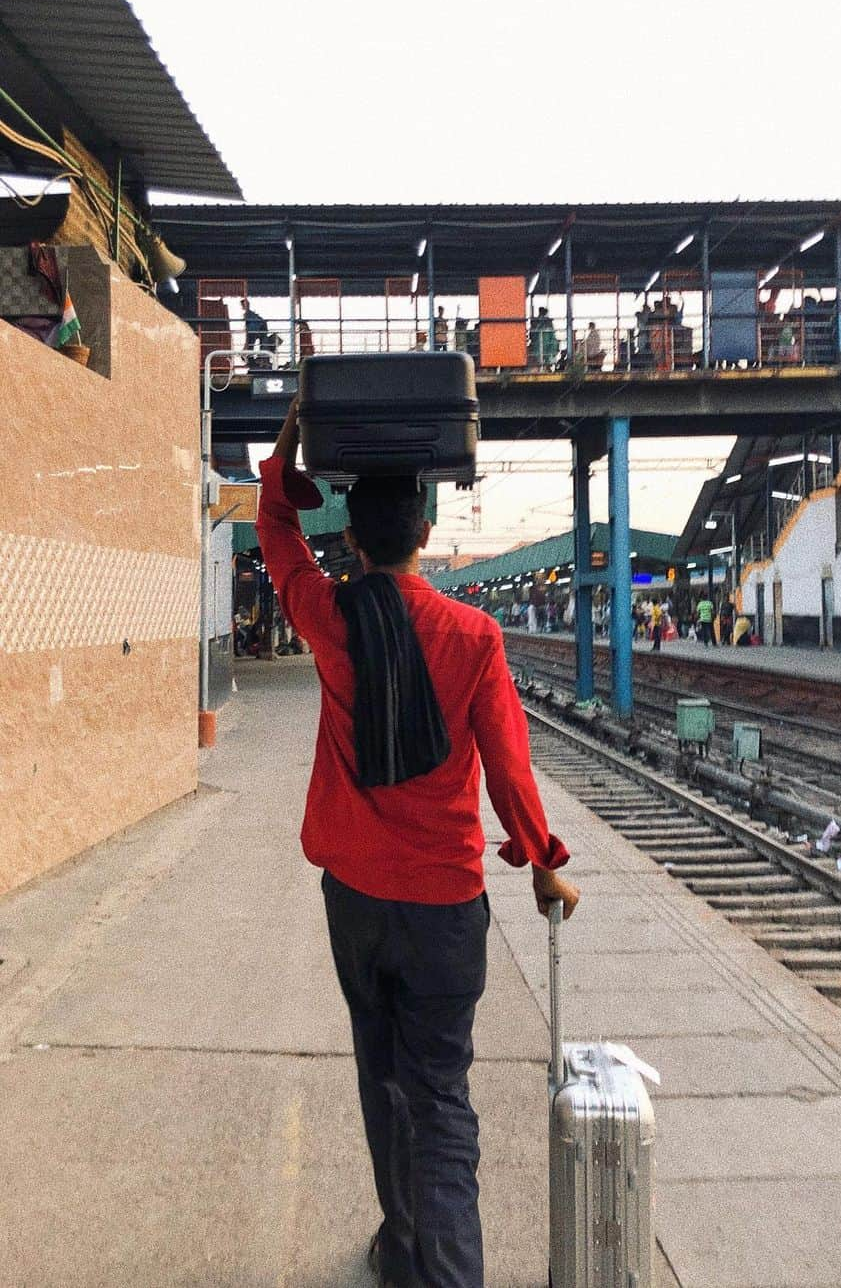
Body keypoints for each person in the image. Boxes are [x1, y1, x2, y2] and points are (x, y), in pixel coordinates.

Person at [256, 397, 580, 1288]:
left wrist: (285, 455)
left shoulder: (330, 621)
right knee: (440, 1102)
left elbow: (277, 536)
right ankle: (439, 1270)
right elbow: (510, 771)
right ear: (426, 532)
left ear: (352, 540)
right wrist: (543, 867)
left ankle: (403, 1247)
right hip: (444, 912)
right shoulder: (474, 636)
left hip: (356, 904)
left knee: (381, 1079)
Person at [241, 296, 271, 369]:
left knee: (252, 344)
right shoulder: (249, 314)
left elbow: (250, 326)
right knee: (254, 344)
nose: (243, 307)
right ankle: (256, 360)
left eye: (244, 305)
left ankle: (261, 361)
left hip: (256, 330)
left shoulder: (249, 314)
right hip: (256, 330)